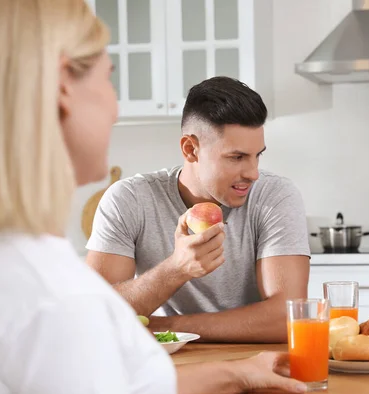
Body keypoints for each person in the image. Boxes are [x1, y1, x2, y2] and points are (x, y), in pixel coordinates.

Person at [0, 1, 306, 394]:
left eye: (257, 156)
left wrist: (237, 374)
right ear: (64, 87)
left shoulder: (25, 265)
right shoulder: (44, 292)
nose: (117, 110)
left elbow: (128, 389)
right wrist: (176, 269)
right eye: (108, 80)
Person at [85, 76, 311, 343]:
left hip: (256, 363)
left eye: (257, 155)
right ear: (190, 149)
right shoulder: (129, 200)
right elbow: (93, 314)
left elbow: (287, 318)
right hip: (165, 365)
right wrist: (177, 268)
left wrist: (165, 326)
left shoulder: (275, 196)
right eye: (237, 157)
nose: (253, 173)